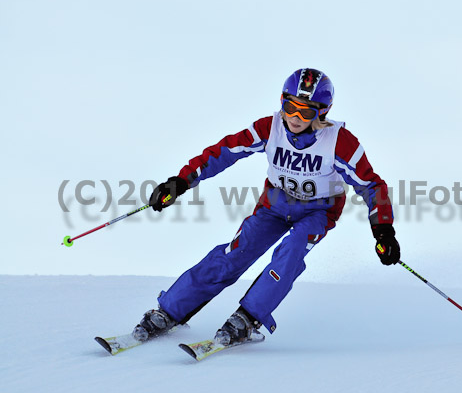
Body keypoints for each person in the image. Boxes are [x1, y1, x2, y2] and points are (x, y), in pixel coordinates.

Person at [133, 68, 401, 346]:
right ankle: (169, 310)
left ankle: (248, 317)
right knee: (236, 253)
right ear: (282, 102)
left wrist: (382, 230)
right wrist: (181, 181)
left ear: (322, 113)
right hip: (274, 204)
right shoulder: (269, 128)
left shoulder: (340, 141)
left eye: (306, 112)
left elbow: (371, 185)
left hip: (318, 210)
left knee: (293, 249)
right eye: (290, 107)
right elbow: (224, 151)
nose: (295, 118)